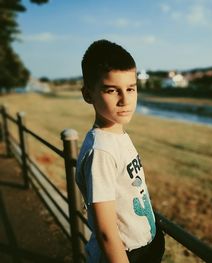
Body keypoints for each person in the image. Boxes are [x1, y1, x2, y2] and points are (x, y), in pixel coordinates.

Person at [75, 39, 165, 263]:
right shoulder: (101, 152)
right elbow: (106, 233)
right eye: (112, 90)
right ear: (88, 95)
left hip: (147, 243)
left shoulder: (118, 136)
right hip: (126, 254)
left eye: (131, 89)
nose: (125, 100)